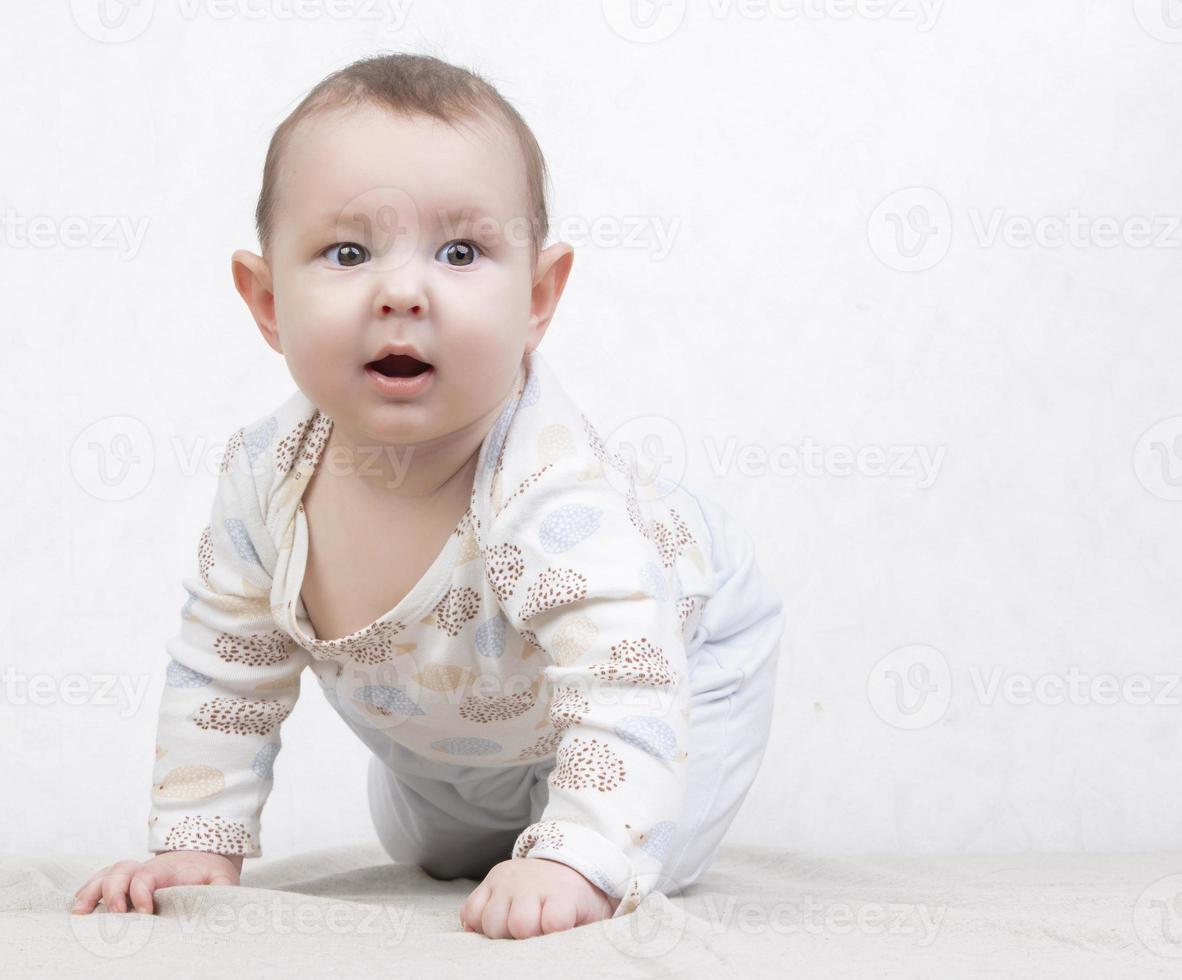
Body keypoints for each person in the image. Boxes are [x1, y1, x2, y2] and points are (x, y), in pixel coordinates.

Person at [73, 51, 783, 941]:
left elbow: (623, 678)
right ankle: (516, 810)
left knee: (629, 855)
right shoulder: (266, 480)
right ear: (265, 302)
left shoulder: (555, 493)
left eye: (460, 251)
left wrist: (577, 857)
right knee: (436, 855)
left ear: (537, 297)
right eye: (347, 251)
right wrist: (195, 841)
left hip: (679, 648)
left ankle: (579, 829)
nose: (402, 291)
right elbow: (228, 665)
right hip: (457, 722)